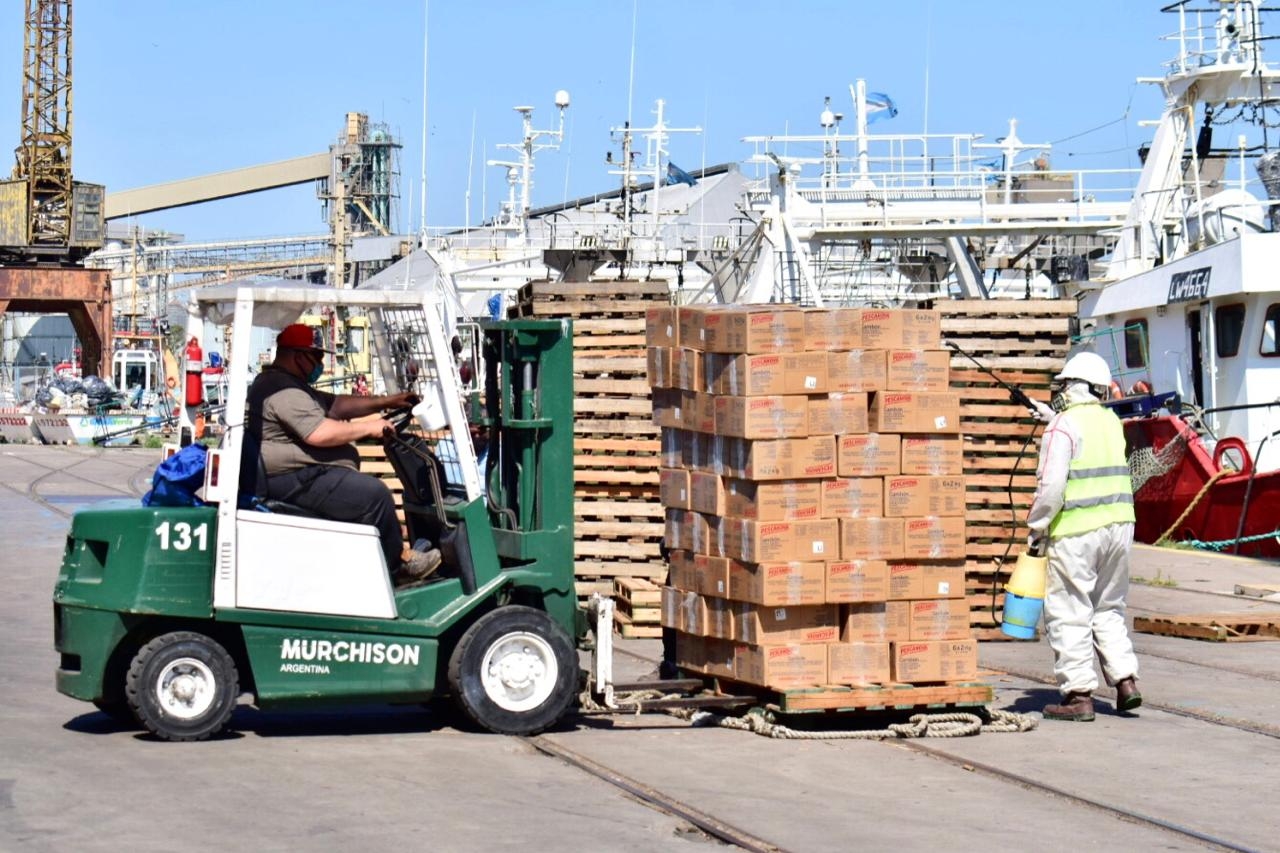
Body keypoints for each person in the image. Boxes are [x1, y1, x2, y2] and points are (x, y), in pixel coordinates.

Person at [246, 324, 441, 586]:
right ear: (297, 355)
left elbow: (336, 405)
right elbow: (318, 432)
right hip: (290, 479)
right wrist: (369, 427)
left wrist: (387, 402)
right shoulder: (283, 390)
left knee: (367, 496)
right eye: (316, 357)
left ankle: (386, 558)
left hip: (298, 475)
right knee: (375, 496)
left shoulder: (290, 385)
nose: (320, 363)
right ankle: (399, 570)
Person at [1026, 351, 1142, 721]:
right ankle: (1125, 682)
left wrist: (1036, 527)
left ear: (1075, 387)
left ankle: (1078, 696)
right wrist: (1053, 418)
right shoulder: (1111, 422)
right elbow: (1087, 441)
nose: (1060, 391)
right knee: (1109, 608)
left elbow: (1051, 488)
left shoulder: (1061, 428)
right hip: (1120, 527)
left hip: (1077, 532)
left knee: (1069, 610)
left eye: (1063, 385)